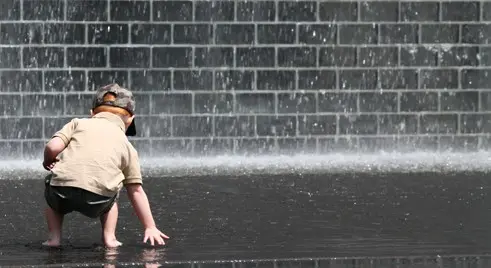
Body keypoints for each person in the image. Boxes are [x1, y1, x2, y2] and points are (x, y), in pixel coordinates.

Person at [42, 83, 169, 248]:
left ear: (92, 113)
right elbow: (136, 190)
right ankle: (109, 238)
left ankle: (54, 238)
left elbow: (52, 147)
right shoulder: (127, 146)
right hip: (99, 199)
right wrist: (150, 226)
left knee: (52, 192)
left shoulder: (77, 123)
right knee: (114, 192)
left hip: (62, 192)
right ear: (131, 119)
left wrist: (48, 161)